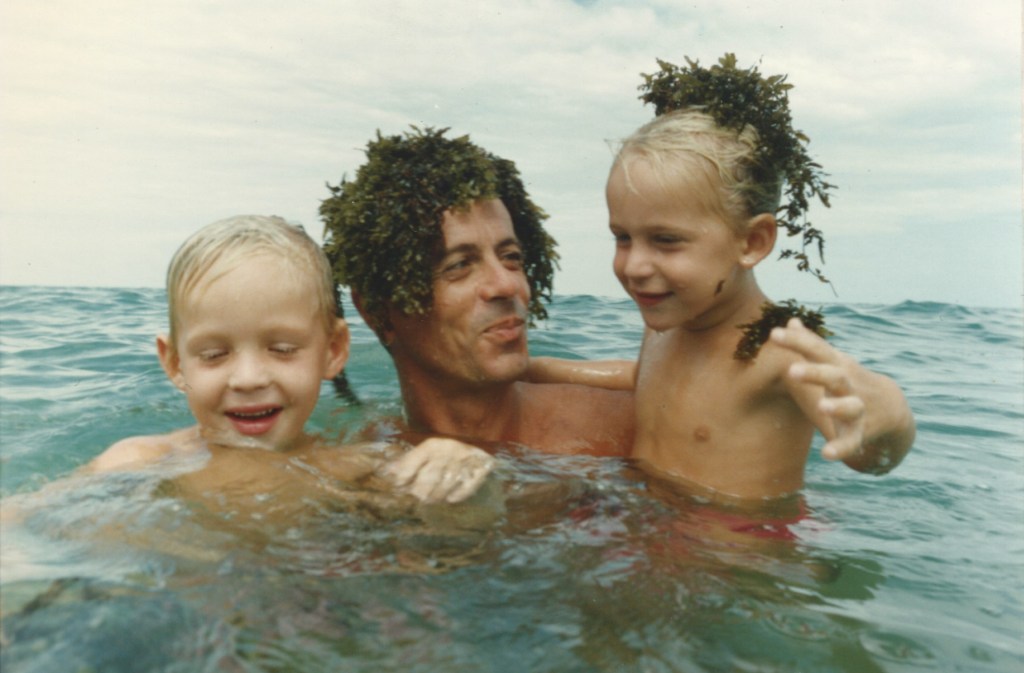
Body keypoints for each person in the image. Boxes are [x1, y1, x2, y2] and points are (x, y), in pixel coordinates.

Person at [527, 55, 915, 500]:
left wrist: (891, 418)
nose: (634, 265)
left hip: (737, 553)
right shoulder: (669, 325)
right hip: (653, 526)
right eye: (622, 237)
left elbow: (869, 455)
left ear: (752, 242)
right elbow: (647, 381)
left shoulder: (781, 350)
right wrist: (533, 368)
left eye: (666, 240)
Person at [87, 215, 496, 514]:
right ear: (175, 363)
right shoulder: (141, 462)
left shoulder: (354, 466)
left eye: (282, 349)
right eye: (214, 355)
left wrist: (458, 470)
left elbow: (452, 536)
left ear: (333, 350)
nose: (248, 379)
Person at [320, 128, 635, 456]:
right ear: (377, 313)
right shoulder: (366, 462)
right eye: (459, 265)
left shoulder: (620, 430)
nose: (506, 284)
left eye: (511, 257)